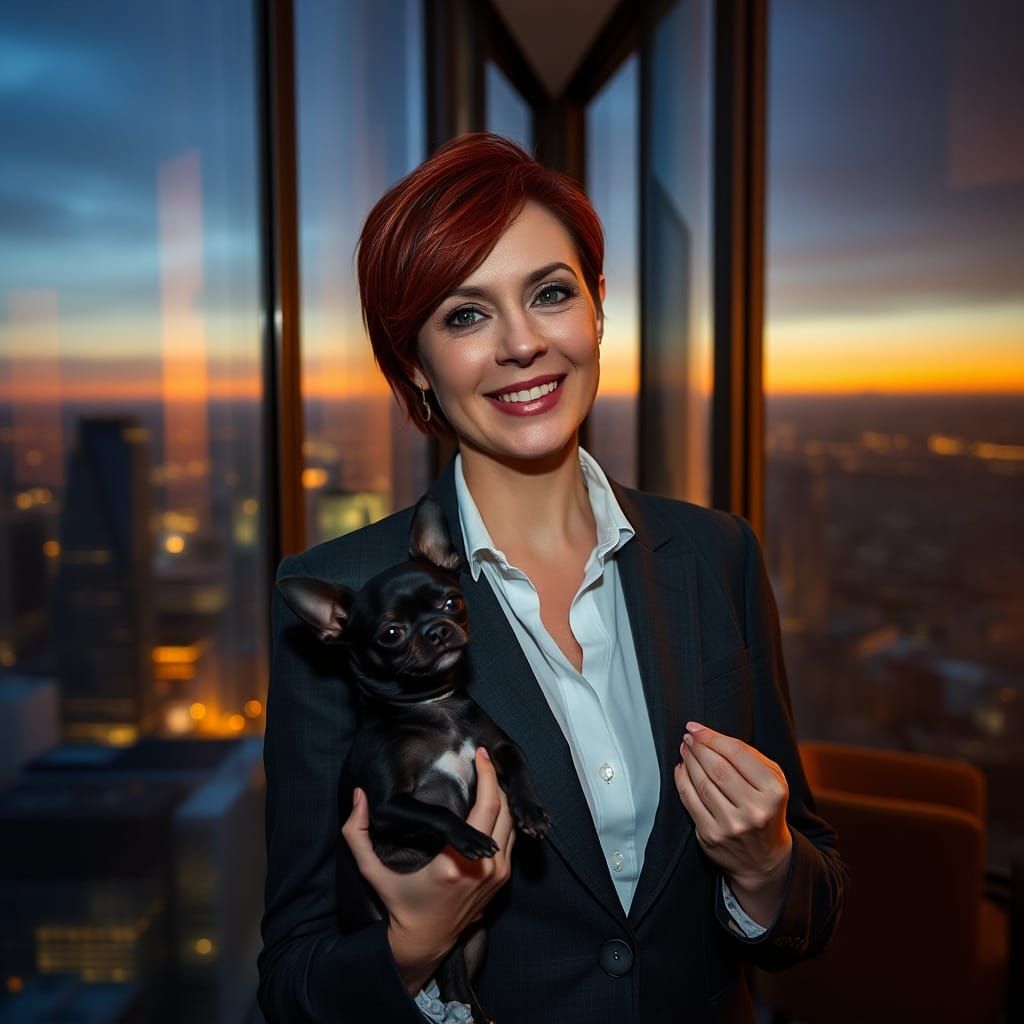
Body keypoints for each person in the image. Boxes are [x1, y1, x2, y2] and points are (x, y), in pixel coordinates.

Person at [257, 132, 846, 1024]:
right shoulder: (344, 591)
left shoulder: (720, 553)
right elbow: (291, 982)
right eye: (465, 314)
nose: (523, 343)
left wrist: (765, 866)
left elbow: (813, 900)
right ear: (413, 362)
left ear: (597, 309)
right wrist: (412, 943)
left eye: (550, 293)